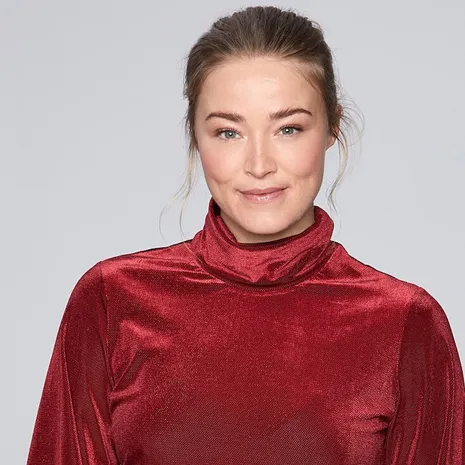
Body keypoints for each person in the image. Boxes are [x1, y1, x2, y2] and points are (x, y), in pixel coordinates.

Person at [26, 5, 464, 465]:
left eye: (288, 129)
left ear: (331, 128)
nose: (259, 165)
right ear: (195, 136)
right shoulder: (111, 301)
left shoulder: (405, 323)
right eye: (229, 132)